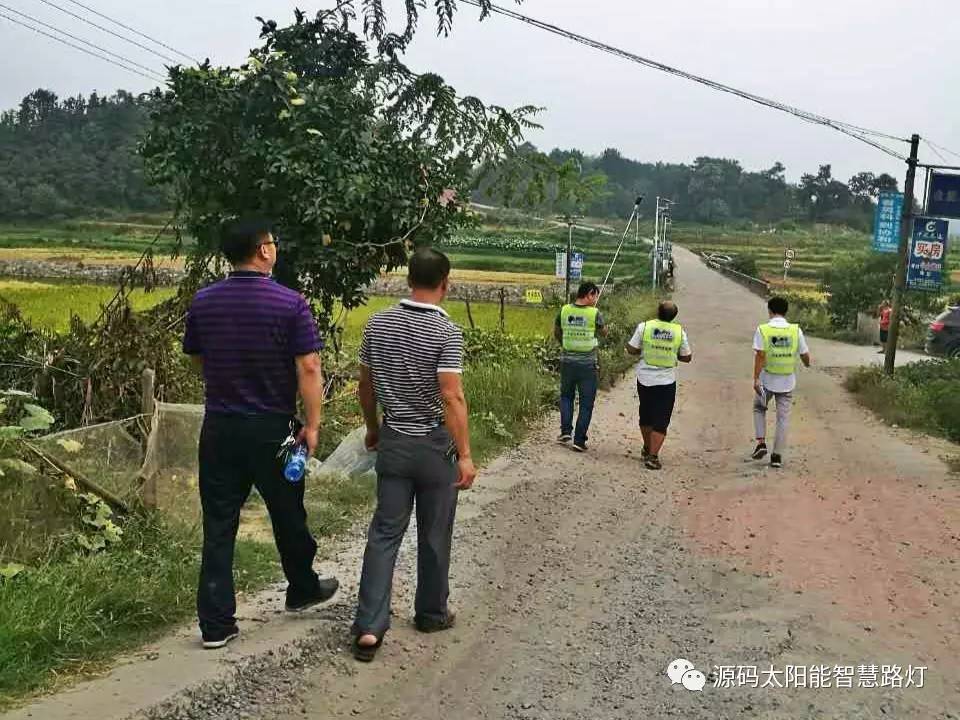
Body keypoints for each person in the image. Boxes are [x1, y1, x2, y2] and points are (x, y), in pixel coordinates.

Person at [183, 218, 339, 650]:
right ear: (263, 251)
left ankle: (216, 624)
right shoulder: (290, 304)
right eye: (273, 241)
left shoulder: (204, 300)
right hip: (274, 430)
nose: (276, 247)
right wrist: (312, 426)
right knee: (288, 511)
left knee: (218, 524)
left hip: (219, 428)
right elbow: (308, 367)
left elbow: (197, 357)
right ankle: (302, 587)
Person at [352, 248, 477, 663]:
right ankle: (431, 613)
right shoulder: (447, 332)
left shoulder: (378, 323)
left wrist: (373, 428)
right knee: (434, 533)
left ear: (409, 279)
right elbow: (451, 396)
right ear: (446, 282)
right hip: (434, 449)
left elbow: (365, 387)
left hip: (394, 442)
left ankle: (369, 626)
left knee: (385, 533)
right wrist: (465, 455)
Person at [626, 301, 692, 470]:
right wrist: (671, 351)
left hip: (644, 378)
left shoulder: (644, 327)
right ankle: (653, 456)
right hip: (666, 381)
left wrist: (646, 348)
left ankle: (647, 447)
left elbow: (631, 349)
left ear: (657, 311)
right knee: (661, 419)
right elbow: (687, 357)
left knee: (646, 414)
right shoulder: (679, 332)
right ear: (674, 316)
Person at [751, 296, 812, 469]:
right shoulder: (795, 330)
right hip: (787, 382)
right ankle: (777, 455)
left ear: (769, 310)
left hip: (766, 381)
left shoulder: (763, 329)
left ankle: (761, 442)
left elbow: (760, 356)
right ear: (786, 311)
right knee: (783, 418)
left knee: (759, 407)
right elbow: (805, 354)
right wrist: (808, 364)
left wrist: (755, 379)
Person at [555, 282, 607, 452]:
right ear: (589, 294)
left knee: (566, 397)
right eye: (595, 296)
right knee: (586, 403)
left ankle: (565, 431)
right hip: (587, 365)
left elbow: (557, 331)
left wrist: (566, 344)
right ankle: (579, 440)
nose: (596, 299)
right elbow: (604, 332)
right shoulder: (595, 313)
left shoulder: (564, 310)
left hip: (567, 362)